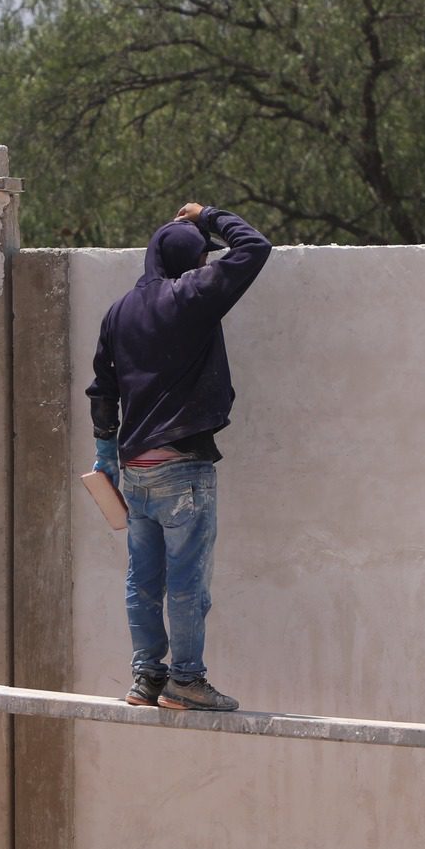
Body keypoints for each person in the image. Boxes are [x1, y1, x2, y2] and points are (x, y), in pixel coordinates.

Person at [85, 201, 271, 711]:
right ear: (193, 262)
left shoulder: (119, 310)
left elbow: (103, 390)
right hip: (182, 470)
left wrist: (106, 454)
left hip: (135, 470)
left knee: (142, 581)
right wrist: (209, 215)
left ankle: (146, 677)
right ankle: (186, 679)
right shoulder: (193, 294)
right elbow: (255, 247)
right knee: (187, 581)